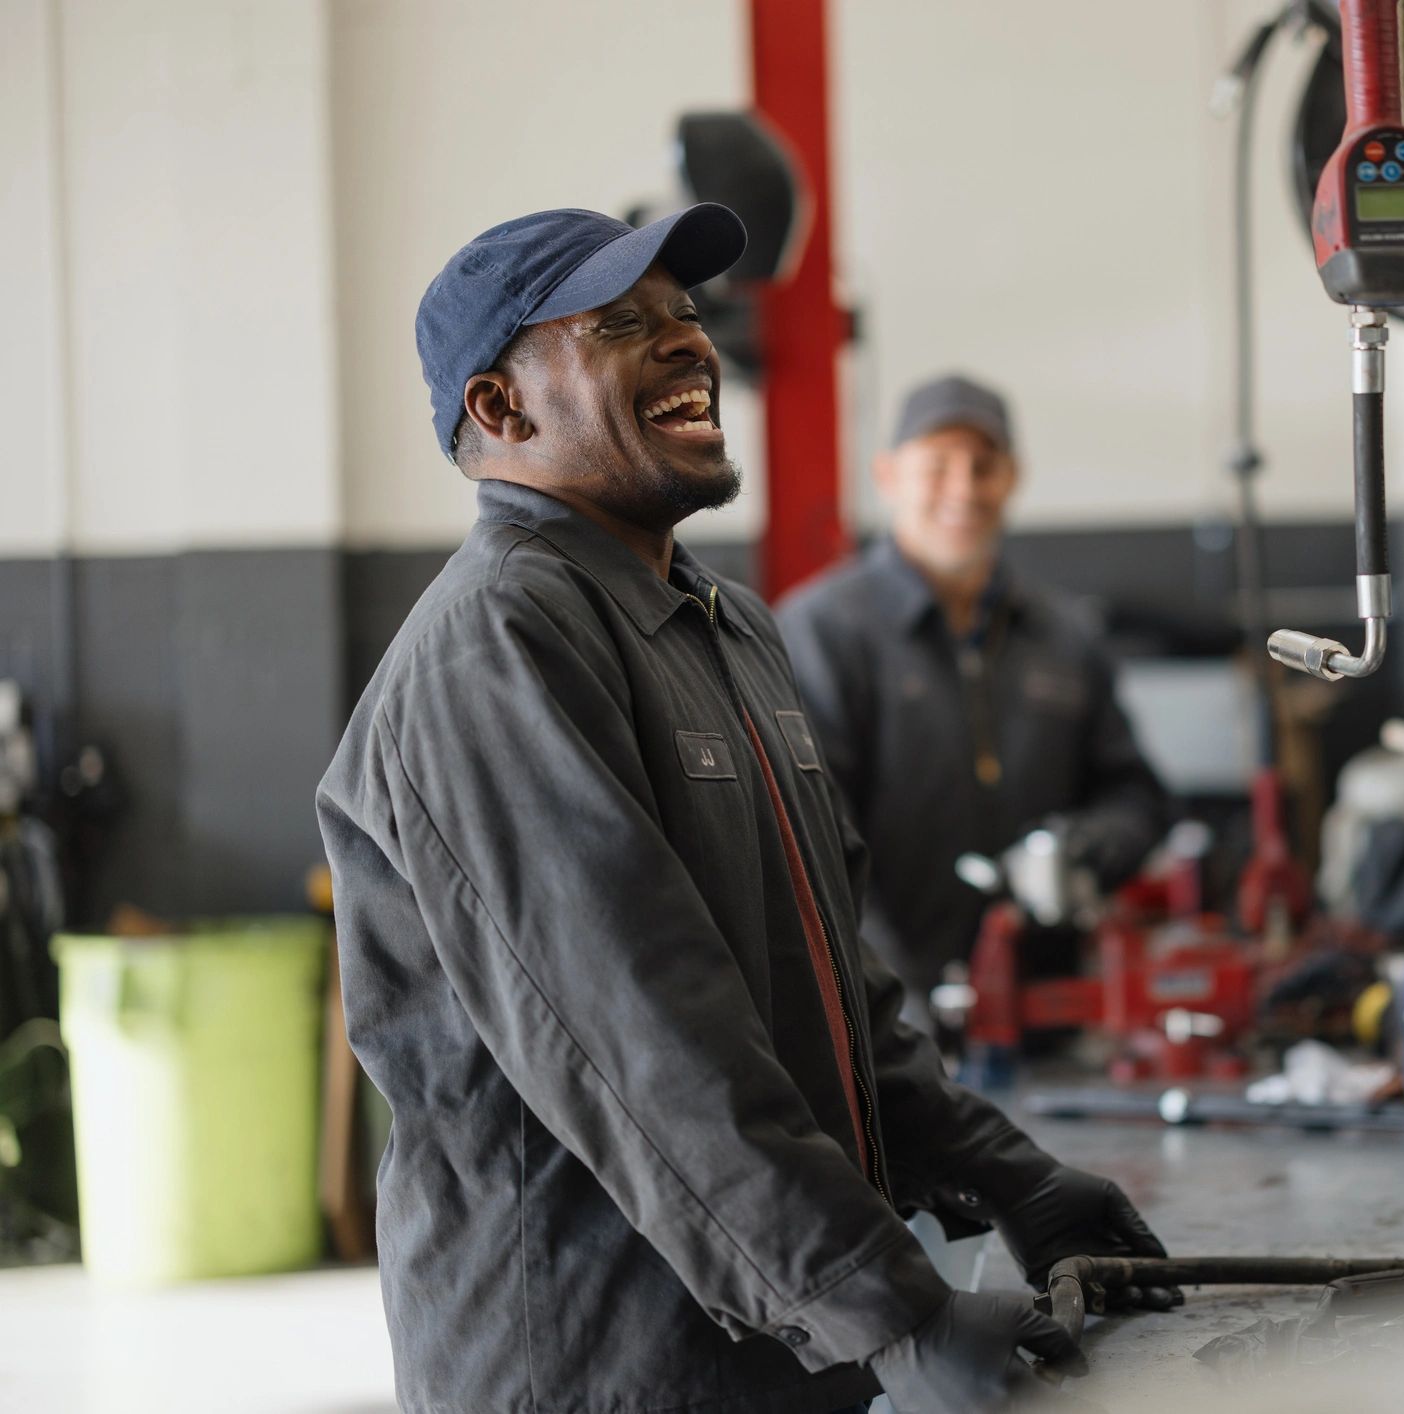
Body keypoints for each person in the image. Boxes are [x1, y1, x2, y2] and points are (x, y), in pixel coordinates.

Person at [316, 206, 1167, 1414]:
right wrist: (891, 1307)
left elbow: (822, 978)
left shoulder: (719, 625)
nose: (684, 342)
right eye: (621, 323)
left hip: (775, 1344)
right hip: (593, 1359)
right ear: (499, 409)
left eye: (684, 313)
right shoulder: (498, 644)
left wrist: (1003, 1175)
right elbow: (631, 1035)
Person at [776, 376, 1170, 1020]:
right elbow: (808, 847)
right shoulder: (820, 632)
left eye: (983, 467)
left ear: (1012, 478)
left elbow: (1138, 796)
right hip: (888, 1023)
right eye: (936, 467)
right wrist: (890, 1017)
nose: (962, 490)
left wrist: (1083, 847)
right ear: (887, 476)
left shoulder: (1065, 635)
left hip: (1046, 1022)